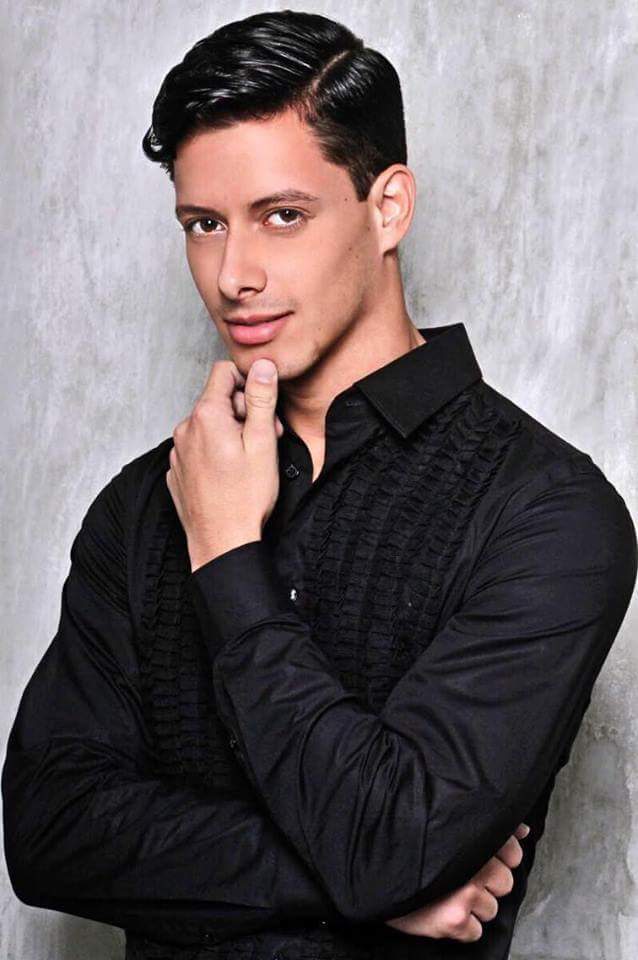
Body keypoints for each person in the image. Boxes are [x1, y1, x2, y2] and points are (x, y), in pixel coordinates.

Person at [3, 9, 636, 960]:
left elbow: (391, 843)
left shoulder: (548, 510)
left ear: (389, 208)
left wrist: (227, 554)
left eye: (282, 216)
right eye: (204, 225)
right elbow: (48, 834)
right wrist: (371, 884)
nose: (233, 274)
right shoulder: (143, 502)